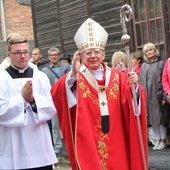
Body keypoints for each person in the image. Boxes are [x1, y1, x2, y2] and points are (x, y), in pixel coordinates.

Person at [51, 18, 148, 170]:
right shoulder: (75, 78)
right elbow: (58, 93)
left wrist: (135, 87)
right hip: (89, 140)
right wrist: (73, 74)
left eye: (97, 52)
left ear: (103, 54)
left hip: (118, 138)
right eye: (88, 53)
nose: (93, 56)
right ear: (81, 57)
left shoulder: (118, 76)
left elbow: (133, 101)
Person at [0, 33, 58, 169]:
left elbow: (51, 107)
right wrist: (22, 100)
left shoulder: (40, 77)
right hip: (13, 146)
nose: (22, 56)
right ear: (8, 53)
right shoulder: (1, 79)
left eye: (25, 52)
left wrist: (33, 100)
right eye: (17, 52)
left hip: (39, 145)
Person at [41, 47, 70, 156]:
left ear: (58, 55)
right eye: (52, 55)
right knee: (55, 124)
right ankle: (57, 146)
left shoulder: (66, 67)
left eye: (56, 54)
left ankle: (69, 144)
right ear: (48, 57)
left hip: (65, 98)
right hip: (52, 99)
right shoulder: (44, 70)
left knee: (68, 122)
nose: (54, 56)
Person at [139, 42, 167, 150]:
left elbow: (164, 79)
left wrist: (164, 95)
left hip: (158, 94)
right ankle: (157, 140)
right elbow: (141, 81)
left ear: (155, 51)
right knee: (152, 117)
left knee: (160, 117)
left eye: (150, 50)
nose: (149, 52)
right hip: (148, 95)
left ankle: (163, 140)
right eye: (146, 51)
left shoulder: (161, 63)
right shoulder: (144, 66)